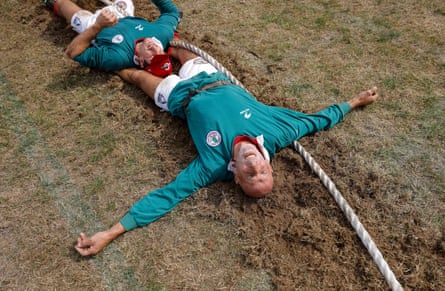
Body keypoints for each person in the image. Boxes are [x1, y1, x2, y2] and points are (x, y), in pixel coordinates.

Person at [74, 46, 379, 256]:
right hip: (211, 77)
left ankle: (113, 52)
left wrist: (110, 233)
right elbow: (317, 121)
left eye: (249, 174)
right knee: (177, 50)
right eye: (261, 169)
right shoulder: (278, 132)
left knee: (134, 75)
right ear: (269, 165)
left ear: (236, 179)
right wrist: (354, 102)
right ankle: (153, 45)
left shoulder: (214, 164)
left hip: (178, 97)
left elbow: (170, 195)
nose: (253, 165)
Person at [42, 0, 181, 77]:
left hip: (95, 25)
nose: (155, 48)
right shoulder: (162, 34)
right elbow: (172, 12)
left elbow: (72, 52)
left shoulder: (117, 58)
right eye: (161, 53)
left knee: (64, 6)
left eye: (153, 57)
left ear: (141, 62)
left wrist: (97, 26)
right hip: (123, 12)